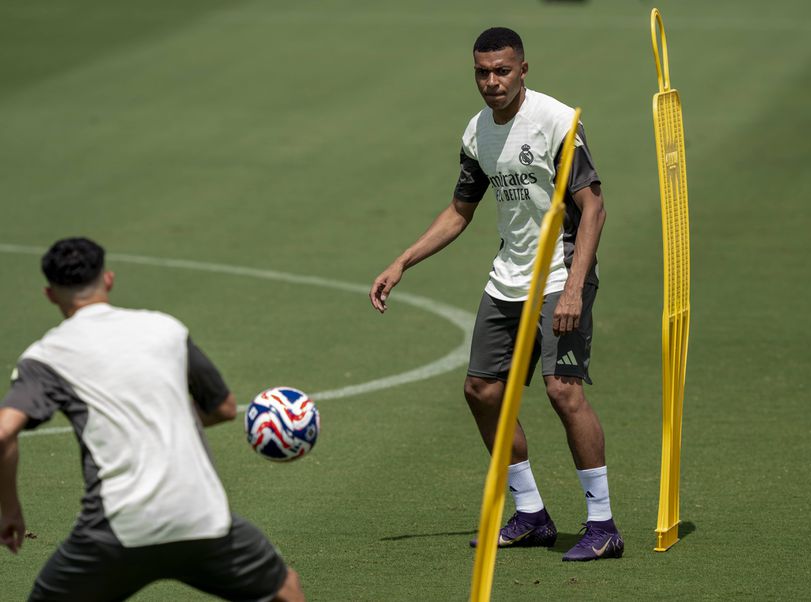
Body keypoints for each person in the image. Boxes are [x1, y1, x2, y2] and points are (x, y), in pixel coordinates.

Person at [369, 27, 622, 561]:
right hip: (509, 279)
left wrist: (575, 286)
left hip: (560, 277)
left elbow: (594, 207)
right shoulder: (477, 131)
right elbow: (460, 210)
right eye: (482, 72)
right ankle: (531, 514)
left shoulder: (557, 121)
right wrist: (402, 261)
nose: (492, 81)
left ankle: (603, 525)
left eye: (502, 70)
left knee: (563, 391)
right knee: (482, 391)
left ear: (523, 70)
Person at [0, 237, 306, 601]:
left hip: (117, 528)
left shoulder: (45, 357)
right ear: (108, 279)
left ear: (50, 294)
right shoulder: (166, 330)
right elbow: (223, 407)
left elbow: (4, 433)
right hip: (201, 517)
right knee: (285, 589)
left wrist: (10, 510)